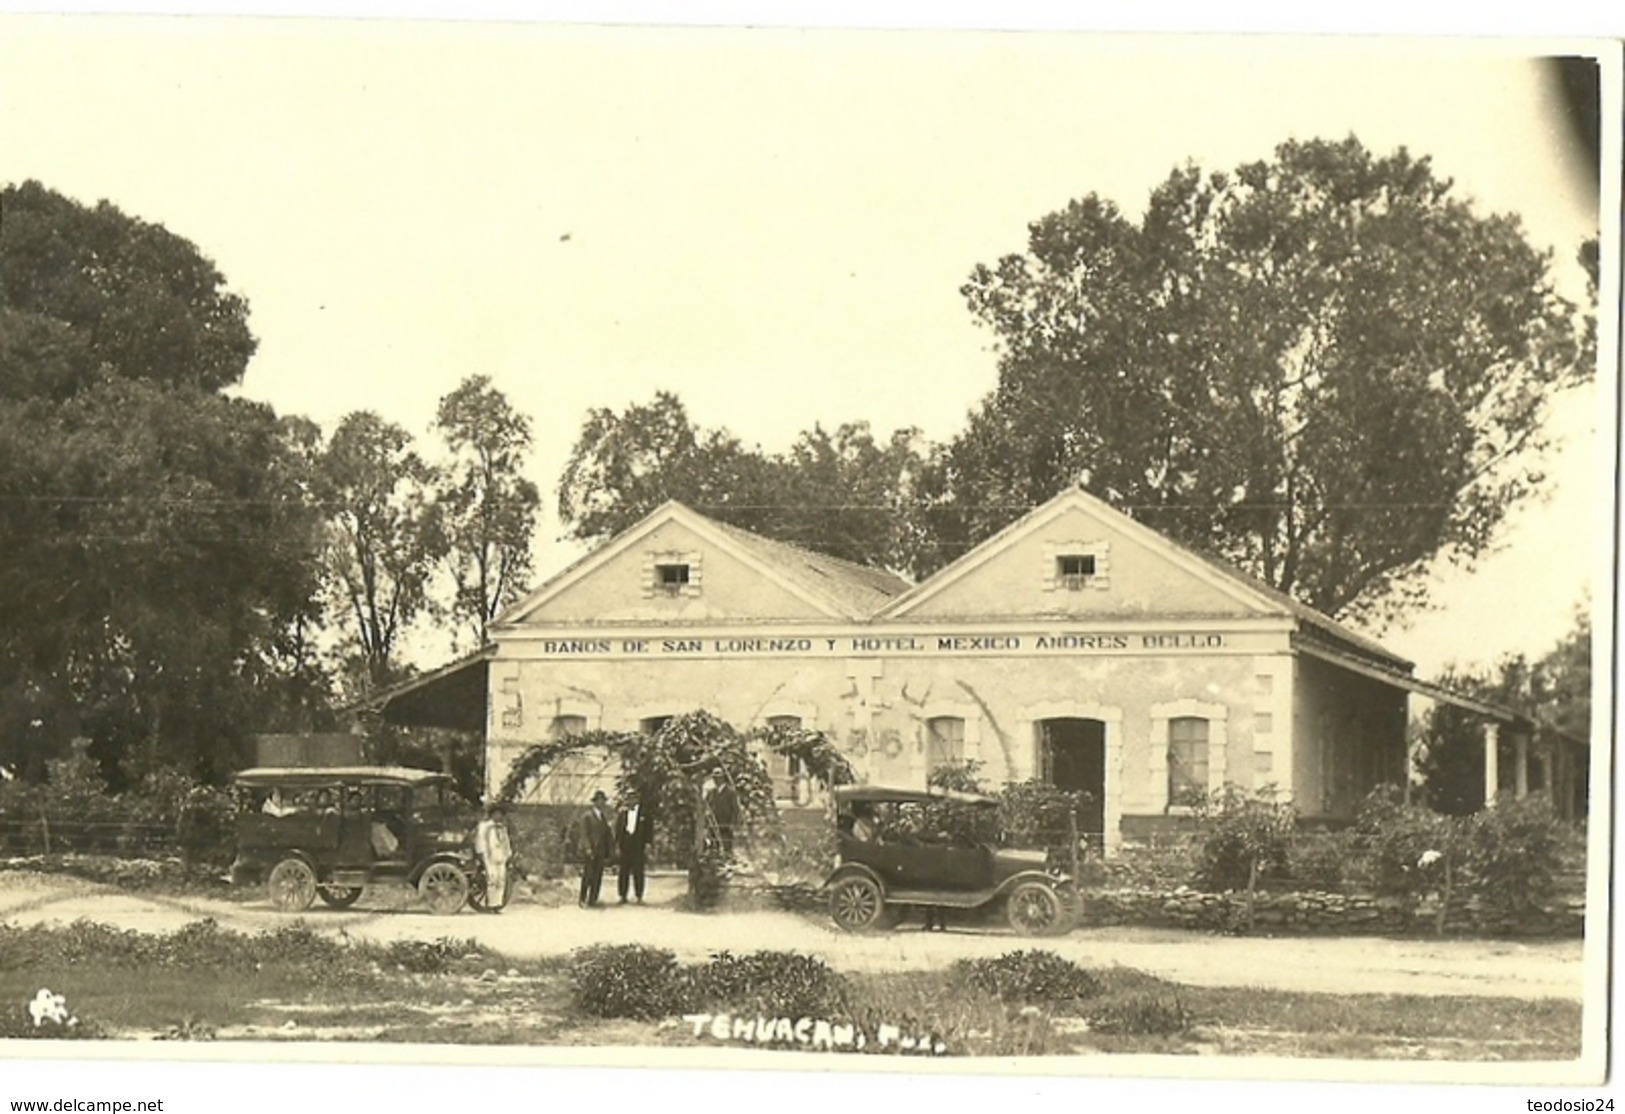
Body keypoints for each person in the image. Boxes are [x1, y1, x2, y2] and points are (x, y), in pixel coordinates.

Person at [473, 803, 514, 913]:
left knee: (501, 880)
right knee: (492, 878)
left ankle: (497, 905)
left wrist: (508, 854)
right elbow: (480, 840)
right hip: (489, 855)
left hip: (501, 855)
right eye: (496, 814)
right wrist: (481, 854)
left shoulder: (502, 828)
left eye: (500, 814)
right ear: (492, 814)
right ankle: (490, 904)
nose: (499, 816)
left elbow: (506, 842)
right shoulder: (485, 827)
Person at [578, 789, 614, 908]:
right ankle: (582, 898)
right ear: (595, 802)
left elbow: (607, 835)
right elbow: (584, 834)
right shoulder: (587, 816)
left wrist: (609, 851)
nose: (602, 803)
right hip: (591, 850)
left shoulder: (603, 817)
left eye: (603, 800)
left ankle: (593, 899)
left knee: (598, 876)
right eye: (599, 800)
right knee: (588, 875)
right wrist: (588, 848)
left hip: (600, 851)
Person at [615, 794, 654, 904]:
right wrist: (617, 845)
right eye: (628, 798)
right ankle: (622, 896)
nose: (630, 801)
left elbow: (649, 830)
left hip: (638, 846)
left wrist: (648, 844)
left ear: (637, 800)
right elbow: (618, 830)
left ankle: (639, 896)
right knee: (623, 872)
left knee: (639, 871)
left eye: (633, 798)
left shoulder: (645, 813)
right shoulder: (622, 814)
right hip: (625, 846)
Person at [704, 778, 738, 859]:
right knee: (714, 844)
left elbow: (735, 809)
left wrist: (733, 823)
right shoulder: (711, 792)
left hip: (726, 824)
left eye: (719, 777)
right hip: (714, 823)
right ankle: (716, 862)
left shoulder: (731, 792)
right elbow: (707, 807)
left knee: (726, 844)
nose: (717, 780)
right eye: (715, 777)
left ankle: (727, 860)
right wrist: (707, 823)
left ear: (723, 778)